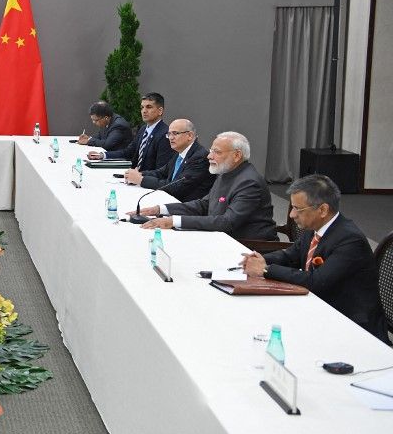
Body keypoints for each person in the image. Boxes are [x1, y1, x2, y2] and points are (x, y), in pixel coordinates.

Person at [242, 175, 389, 343]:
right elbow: (291, 255)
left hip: (352, 326)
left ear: (323, 210)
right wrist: (258, 259)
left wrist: (265, 269)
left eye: (298, 209)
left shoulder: (349, 240)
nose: (291, 215)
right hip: (321, 308)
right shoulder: (315, 227)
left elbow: (317, 282)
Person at [135, 131, 278, 240]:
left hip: (248, 247)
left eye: (217, 152)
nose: (209, 156)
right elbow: (204, 205)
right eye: (211, 151)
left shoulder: (249, 182)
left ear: (237, 155)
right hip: (222, 238)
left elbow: (227, 222)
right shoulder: (227, 173)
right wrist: (161, 209)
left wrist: (174, 221)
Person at [123, 119, 214, 202]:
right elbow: (161, 173)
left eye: (175, 133)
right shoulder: (180, 152)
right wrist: (137, 175)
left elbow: (176, 187)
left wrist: (141, 180)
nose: (170, 137)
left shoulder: (200, 157)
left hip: (186, 209)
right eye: (169, 134)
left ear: (189, 135)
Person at [88, 93, 172, 170]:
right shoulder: (143, 129)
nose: (144, 111)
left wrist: (139, 176)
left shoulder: (164, 134)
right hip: (133, 176)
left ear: (160, 111)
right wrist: (103, 155)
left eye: (149, 107)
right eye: (142, 107)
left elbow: (161, 170)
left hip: (145, 181)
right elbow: (128, 152)